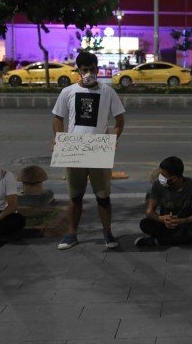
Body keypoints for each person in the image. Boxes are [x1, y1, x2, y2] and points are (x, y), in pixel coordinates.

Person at [52, 51, 126, 250]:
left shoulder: (108, 92)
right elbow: (58, 118)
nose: (89, 73)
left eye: (92, 69)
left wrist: (112, 138)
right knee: (75, 196)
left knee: (103, 196)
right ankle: (71, 234)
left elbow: (120, 119)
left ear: (98, 69)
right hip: (74, 148)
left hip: (98, 148)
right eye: (85, 70)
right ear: (78, 70)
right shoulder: (68, 92)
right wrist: (59, 139)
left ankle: (108, 234)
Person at [135, 156, 192, 247]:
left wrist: (180, 221)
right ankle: (186, 240)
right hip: (165, 224)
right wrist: (162, 219)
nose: (160, 177)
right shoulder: (158, 185)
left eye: (163, 175)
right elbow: (149, 211)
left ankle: (158, 241)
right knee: (145, 223)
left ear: (174, 178)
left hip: (184, 224)